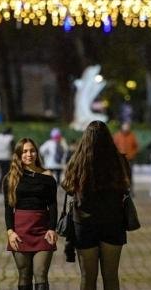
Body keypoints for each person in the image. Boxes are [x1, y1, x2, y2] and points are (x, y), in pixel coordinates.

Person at [62, 120, 130, 290]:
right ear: (108, 138)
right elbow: (126, 186)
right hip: (113, 222)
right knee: (111, 276)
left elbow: (68, 188)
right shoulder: (119, 161)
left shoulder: (77, 161)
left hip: (84, 224)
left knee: (87, 277)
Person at [3, 138, 58, 290]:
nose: (29, 154)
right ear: (19, 154)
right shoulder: (10, 178)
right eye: (25, 151)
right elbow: (8, 208)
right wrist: (10, 232)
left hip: (43, 232)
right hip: (20, 232)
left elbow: (53, 205)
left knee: (40, 273)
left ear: (37, 153)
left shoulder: (48, 177)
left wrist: (52, 229)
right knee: (24, 275)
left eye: (32, 150)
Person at [112, 122, 139, 190]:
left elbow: (136, 147)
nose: (126, 129)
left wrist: (132, 154)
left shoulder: (132, 136)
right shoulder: (117, 136)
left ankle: (130, 190)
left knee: (129, 175)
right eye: (125, 127)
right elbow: (112, 146)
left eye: (127, 127)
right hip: (119, 159)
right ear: (122, 128)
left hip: (129, 159)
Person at [0, 127, 15, 193]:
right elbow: (13, 148)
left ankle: (0, 188)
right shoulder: (10, 138)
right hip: (7, 158)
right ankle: (4, 188)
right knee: (5, 173)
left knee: (2, 172)